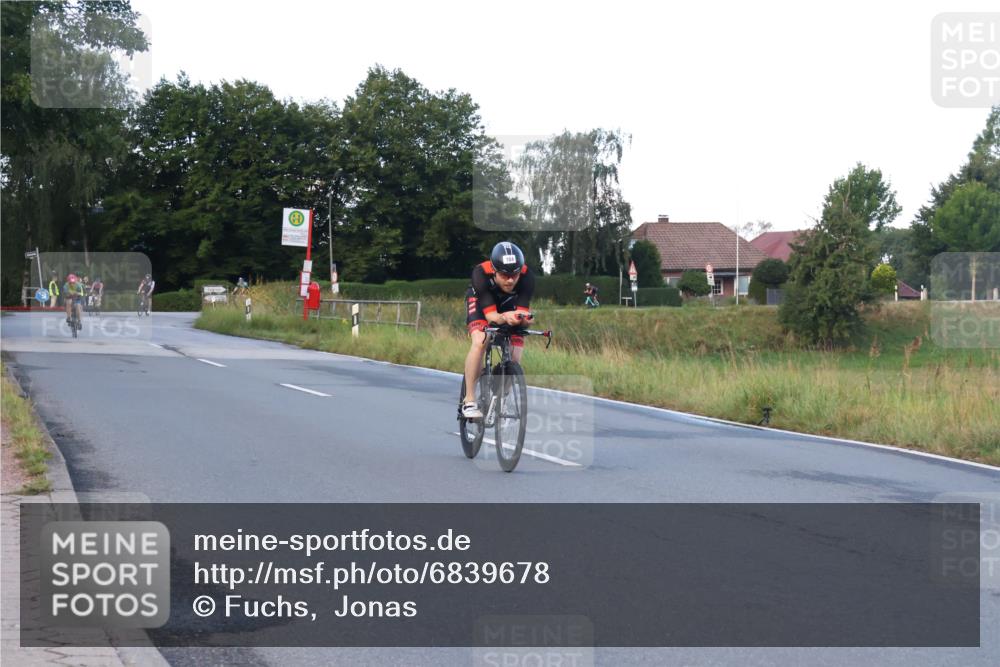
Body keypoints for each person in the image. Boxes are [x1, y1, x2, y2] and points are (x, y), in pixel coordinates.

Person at [462, 241, 535, 419]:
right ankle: (469, 400)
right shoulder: (480, 273)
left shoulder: (527, 277)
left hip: (508, 305)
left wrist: (525, 320)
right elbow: (492, 317)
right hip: (482, 304)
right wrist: (505, 318)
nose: (510, 280)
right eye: (504, 275)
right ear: (494, 270)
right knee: (481, 340)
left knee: (515, 354)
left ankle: (501, 395)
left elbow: (522, 311)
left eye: (514, 275)